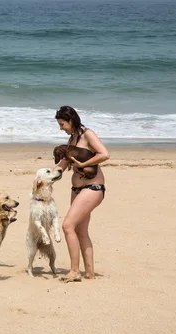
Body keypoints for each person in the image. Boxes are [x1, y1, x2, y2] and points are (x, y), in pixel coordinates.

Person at [53, 106, 109, 282]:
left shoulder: (88, 135)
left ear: (71, 120)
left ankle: (74, 271)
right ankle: (90, 274)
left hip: (93, 187)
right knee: (80, 231)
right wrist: (49, 174)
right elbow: (63, 163)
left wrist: (81, 166)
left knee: (67, 226)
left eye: (62, 124)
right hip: (77, 189)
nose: (60, 128)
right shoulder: (72, 139)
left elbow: (104, 154)